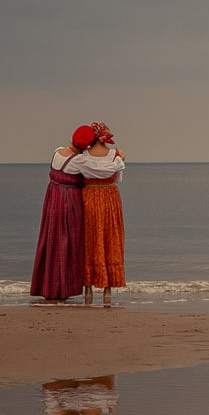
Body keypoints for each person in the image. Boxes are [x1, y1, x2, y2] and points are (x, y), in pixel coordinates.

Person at [29, 126, 95, 302]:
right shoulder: (79, 160)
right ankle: (62, 288)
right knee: (69, 242)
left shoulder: (57, 151)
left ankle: (48, 286)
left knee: (51, 240)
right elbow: (98, 170)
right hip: (68, 200)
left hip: (52, 197)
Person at [77, 121, 126, 307]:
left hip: (88, 198)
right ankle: (107, 291)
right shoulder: (116, 156)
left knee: (89, 240)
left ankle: (87, 288)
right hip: (109, 199)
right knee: (110, 240)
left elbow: (77, 176)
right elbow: (118, 179)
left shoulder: (82, 156)